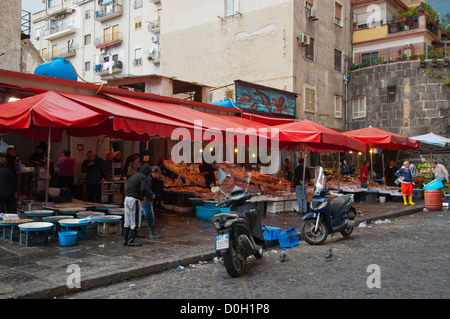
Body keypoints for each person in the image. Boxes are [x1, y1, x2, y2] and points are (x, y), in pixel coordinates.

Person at [123, 164, 152, 246]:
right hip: (134, 200)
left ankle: (125, 240)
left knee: (127, 220)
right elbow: (143, 188)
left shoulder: (134, 176)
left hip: (127, 198)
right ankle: (131, 240)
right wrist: (142, 196)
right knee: (135, 220)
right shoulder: (143, 177)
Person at [141, 166, 163, 239]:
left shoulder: (147, 177)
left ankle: (135, 232)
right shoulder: (148, 178)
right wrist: (152, 194)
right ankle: (152, 233)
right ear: (155, 173)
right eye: (158, 174)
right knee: (150, 215)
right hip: (146, 198)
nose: (158, 175)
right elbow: (147, 188)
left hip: (143, 198)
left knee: (142, 215)